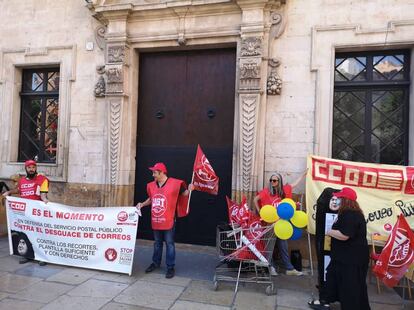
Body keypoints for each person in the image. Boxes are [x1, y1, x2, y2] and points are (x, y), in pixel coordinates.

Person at [308, 187, 370, 310]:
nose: (337, 200)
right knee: (331, 277)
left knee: (351, 286)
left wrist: (330, 231)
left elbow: (344, 235)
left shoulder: (351, 215)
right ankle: (325, 300)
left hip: (351, 260)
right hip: (341, 257)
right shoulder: (346, 213)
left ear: (346, 200)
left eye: (340, 198)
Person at [136, 162, 191, 279]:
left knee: (170, 244)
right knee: (157, 243)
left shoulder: (175, 184)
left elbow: (185, 194)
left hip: (169, 219)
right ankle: (155, 263)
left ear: (162, 172)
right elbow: (152, 199)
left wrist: (191, 189)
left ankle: (170, 267)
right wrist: (142, 204)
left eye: (155, 172)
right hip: (156, 220)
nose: (153, 175)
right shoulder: (151, 185)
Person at [253, 171, 306, 276]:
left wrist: (303, 175)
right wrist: (260, 212)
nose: (272, 182)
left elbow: (294, 184)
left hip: (282, 224)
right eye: (271, 180)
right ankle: (270, 266)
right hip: (270, 224)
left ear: (279, 181)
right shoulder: (266, 191)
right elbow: (255, 199)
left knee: (283, 245)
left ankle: (289, 268)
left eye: (275, 180)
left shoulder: (285, 190)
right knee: (270, 246)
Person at [3, 159, 49, 265]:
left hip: (37, 213)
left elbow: (43, 195)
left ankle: (43, 258)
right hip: (25, 214)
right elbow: (19, 190)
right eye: (29, 167)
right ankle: (28, 255)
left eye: (33, 167)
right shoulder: (22, 180)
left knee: (39, 235)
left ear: (36, 168)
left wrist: (45, 200)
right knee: (26, 234)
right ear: (26, 168)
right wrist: (9, 192)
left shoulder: (43, 180)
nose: (32, 169)